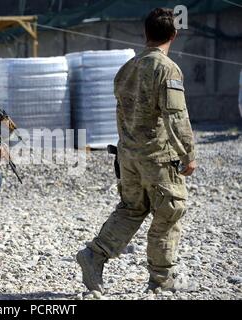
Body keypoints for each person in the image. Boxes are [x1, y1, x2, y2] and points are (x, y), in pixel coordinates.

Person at [76, 7, 197, 293]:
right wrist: (189, 153)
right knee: (169, 211)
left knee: (132, 209)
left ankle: (94, 255)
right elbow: (176, 115)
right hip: (158, 157)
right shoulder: (167, 68)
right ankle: (161, 277)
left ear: (145, 34)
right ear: (174, 35)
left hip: (128, 154)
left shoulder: (127, 67)